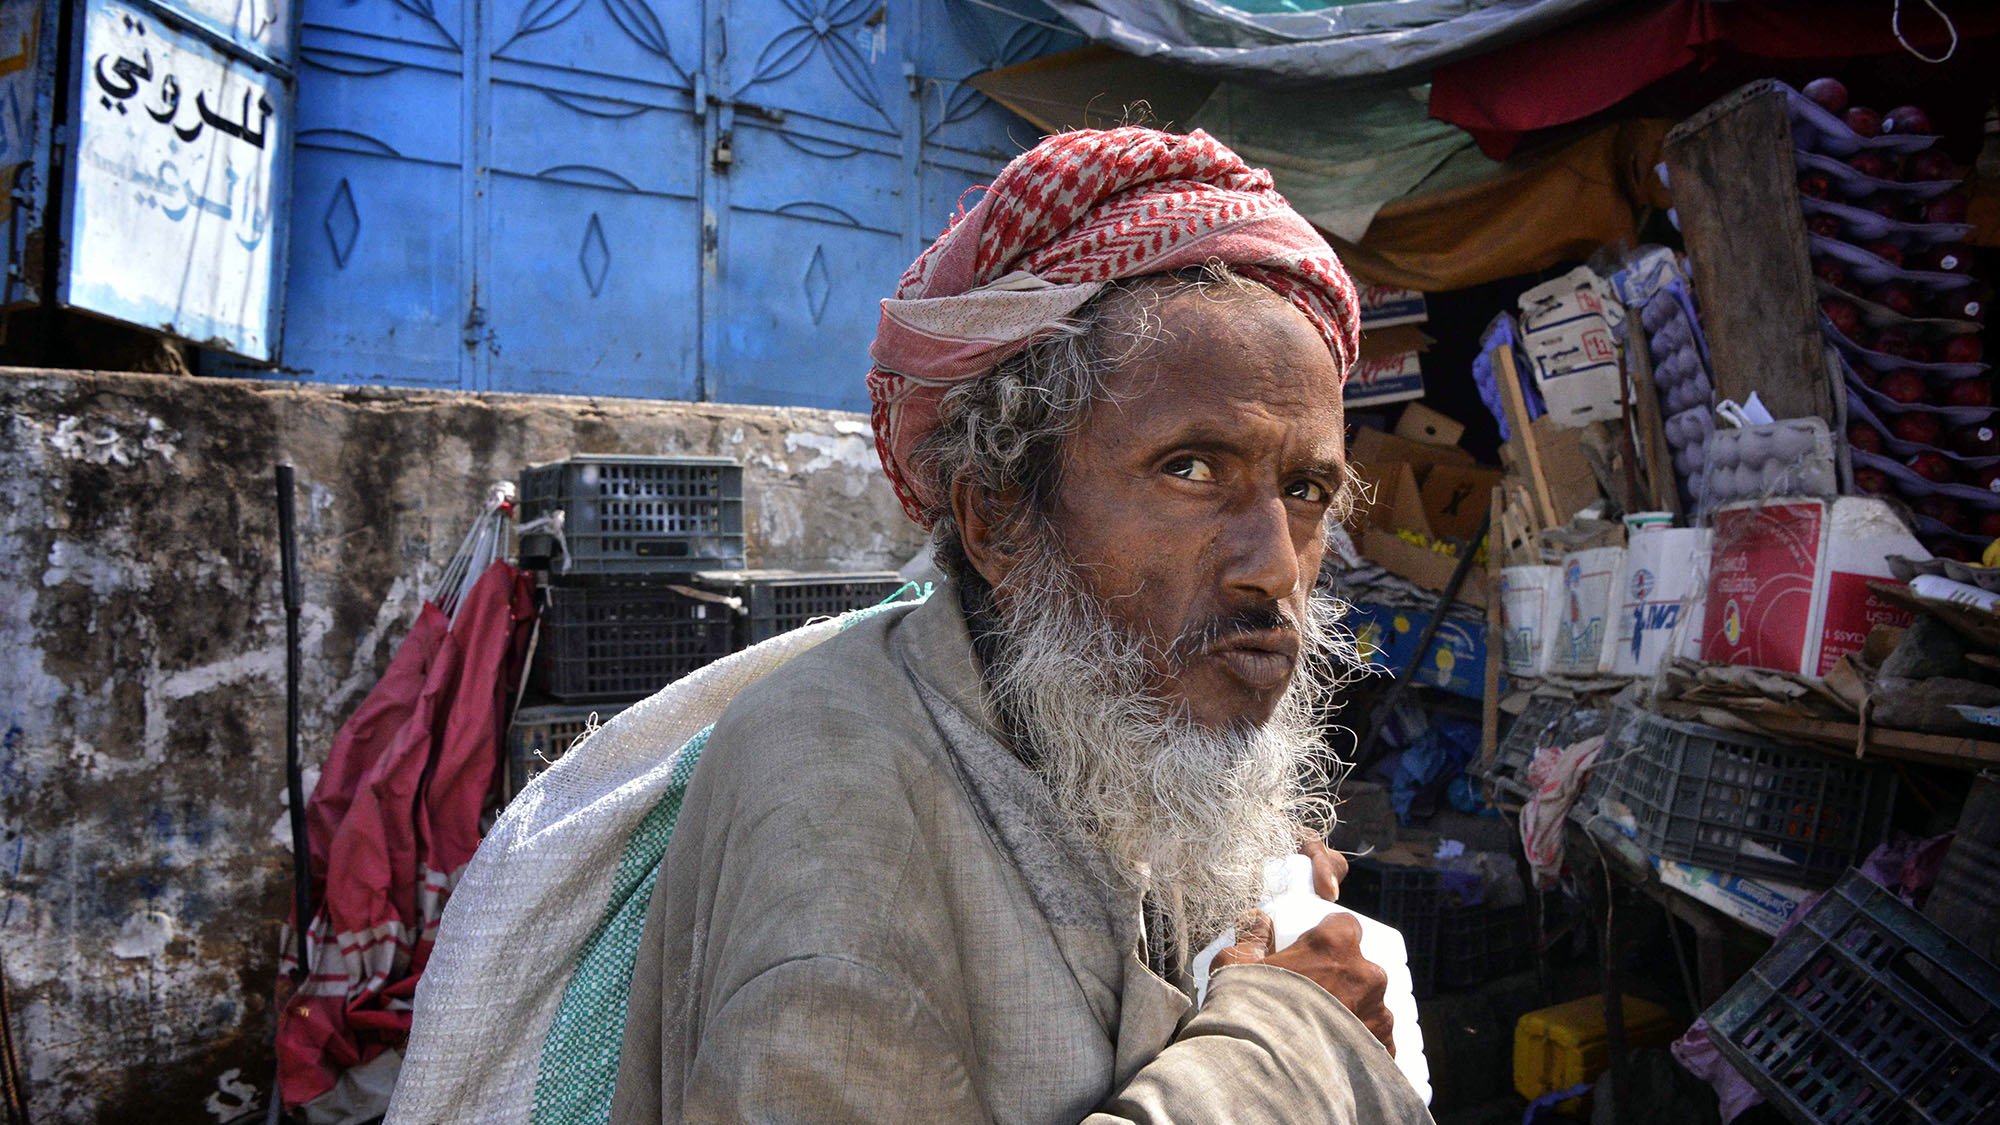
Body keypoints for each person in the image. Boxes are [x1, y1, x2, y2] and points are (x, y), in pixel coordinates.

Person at [390, 127, 1432, 1125]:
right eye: (1190, 470)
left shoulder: (1066, 716)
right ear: (996, 518)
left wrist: (1218, 890)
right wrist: (1293, 1033)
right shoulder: (835, 805)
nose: (1271, 568)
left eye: (1304, 491)